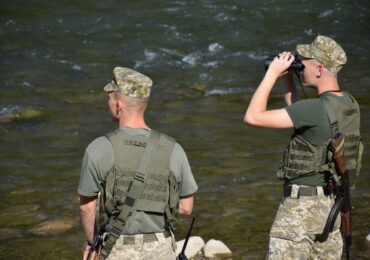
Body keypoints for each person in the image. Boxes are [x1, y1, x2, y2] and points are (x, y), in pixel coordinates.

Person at [244, 35, 363, 259]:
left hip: (299, 215)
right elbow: (304, 117)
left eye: (303, 61)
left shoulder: (314, 109)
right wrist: (288, 78)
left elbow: (253, 116)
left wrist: (271, 73)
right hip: (332, 209)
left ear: (319, 69)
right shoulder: (349, 104)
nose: (300, 66)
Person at [78, 67, 198, 260]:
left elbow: (87, 207)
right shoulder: (174, 149)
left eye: (109, 98)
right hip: (161, 249)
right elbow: (186, 207)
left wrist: (92, 243)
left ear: (118, 104)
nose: (108, 103)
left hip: (117, 249)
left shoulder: (98, 148)